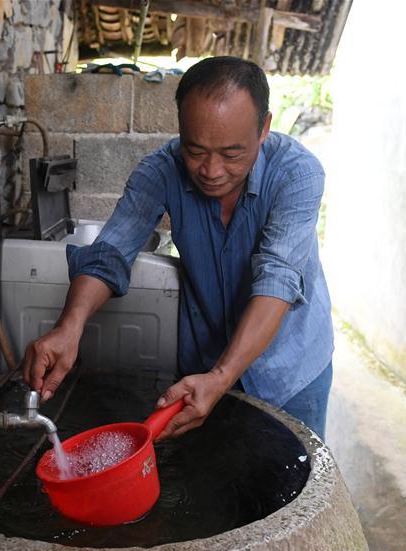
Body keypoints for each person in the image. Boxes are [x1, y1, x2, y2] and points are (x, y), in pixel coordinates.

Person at [22, 56, 334, 441]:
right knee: (213, 479)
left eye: (232, 154)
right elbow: (111, 251)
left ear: (264, 128)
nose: (212, 170)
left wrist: (222, 377)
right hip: (201, 363)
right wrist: (69, 327)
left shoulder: (298, 174)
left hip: (290, 371)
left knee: (292, 485)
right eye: (195, 150)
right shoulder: (160, 170)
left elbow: (278, 276)